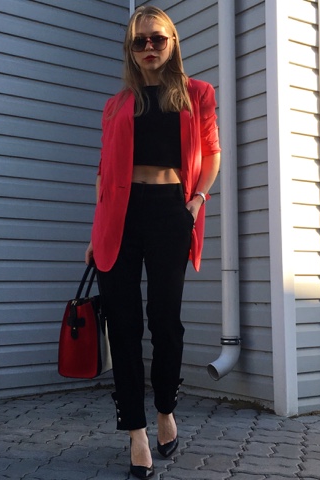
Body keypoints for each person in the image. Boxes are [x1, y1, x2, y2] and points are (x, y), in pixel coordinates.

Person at [85, 6, 221, 479]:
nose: (148, 48)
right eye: (139, 40)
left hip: (170, 211)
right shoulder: (116, 104)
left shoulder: (197, 94)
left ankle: (165, 409)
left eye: (157, 39)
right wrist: (95, 231)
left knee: (165, 321)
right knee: (123, 325)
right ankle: (136, 432)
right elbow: (104, 172)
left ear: (172, 42)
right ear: (130, 47)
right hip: (118, 218)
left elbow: (212, 155)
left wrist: (195, 203)